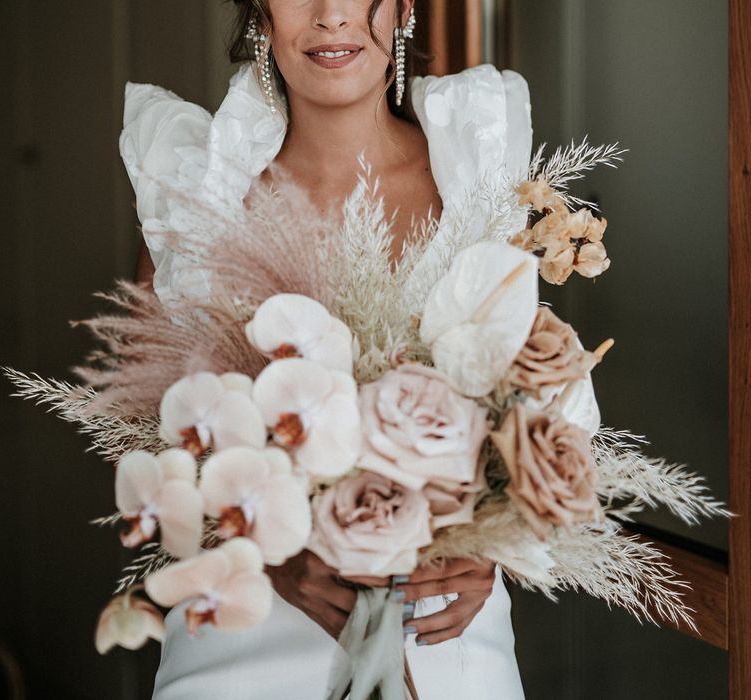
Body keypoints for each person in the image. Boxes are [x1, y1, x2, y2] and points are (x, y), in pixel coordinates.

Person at [121, 1, 530, 698]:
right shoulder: (198, 193)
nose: (332, 16)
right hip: (242, 631)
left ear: (403, 8)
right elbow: (142, 444)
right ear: (259, 12)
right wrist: (259, 545)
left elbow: (534, 410)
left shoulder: (480, 168)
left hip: (442, 627)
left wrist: (498, 543)